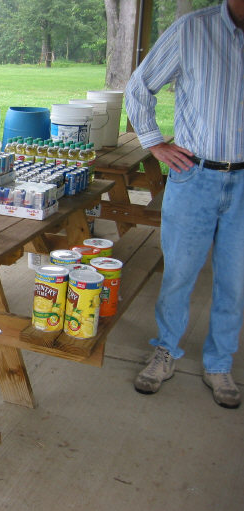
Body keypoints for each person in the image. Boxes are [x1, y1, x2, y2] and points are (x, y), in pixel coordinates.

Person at [125, 0, 244, 408]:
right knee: (179, 272)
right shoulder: (193, 30)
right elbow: (139, 87)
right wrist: (153, 142)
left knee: (236, 280)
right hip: (195, 174)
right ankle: (165, 351)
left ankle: (219, 363)